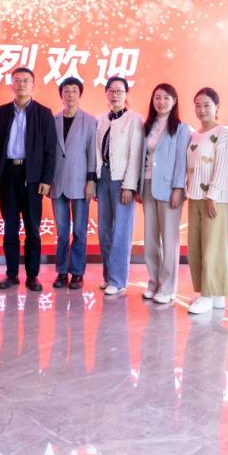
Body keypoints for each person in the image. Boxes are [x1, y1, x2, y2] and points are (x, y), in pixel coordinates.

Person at [0, 67, 56, 292]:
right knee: (10, 228)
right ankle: (11, 274)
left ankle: (32, 275)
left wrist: (46, 179)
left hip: (33, 177)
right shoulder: (1, 112)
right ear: (11, 85)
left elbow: (50, 149)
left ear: (33, 85)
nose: (21, 84)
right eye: (17, 80)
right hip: (8, 175)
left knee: (33, 229)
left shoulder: (43, 113)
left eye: (26, 81)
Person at [139, 83, 192, 304]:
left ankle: (168, 287)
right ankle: (154, 282)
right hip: (147, 185)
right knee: (150, 239)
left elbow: (182, 161)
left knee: (169, 239)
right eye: (157, 97)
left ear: (174, 101)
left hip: (170, 189)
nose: (161, 102)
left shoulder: (181, 128)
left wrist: (179, 188)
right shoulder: (146, 126)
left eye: (166, 98)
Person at [185, 88, 228, 314]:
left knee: (213, 248)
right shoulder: (194, 135)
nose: (202, 109)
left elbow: (222, 167)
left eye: (206, 105)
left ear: (217, 107)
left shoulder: (222, 134)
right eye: (198, 105)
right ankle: (214, 296)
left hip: (213, 200)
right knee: (197, 247)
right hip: (194, 197)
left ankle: (208, 295)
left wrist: (212, 195)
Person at [94, 76, 144, 295]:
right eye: (111, 91)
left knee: (121, 231)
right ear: (106, 93)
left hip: (122, 180)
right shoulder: (100, 120)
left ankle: (118, 279)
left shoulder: (135, 120)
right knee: (104, 230)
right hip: (103, 177)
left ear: (126, 94)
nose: (115, 95)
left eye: (119, 91)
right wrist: (95, 180)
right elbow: (97, 152)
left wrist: (130, 185)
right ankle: (108, 277)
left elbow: (136, 155)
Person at [50, 77, 96, 290]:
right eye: (66, 91)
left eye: (74, 90)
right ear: (61, 95)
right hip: (57, 182)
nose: (70, 94)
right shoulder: (53, 119)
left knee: (79, 230)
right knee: (61, 232)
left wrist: (91, 181)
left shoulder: (89, 120)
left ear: (80, 94)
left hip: (80, 183)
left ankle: (77, 272)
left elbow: (92, 154)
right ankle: (61, 272)